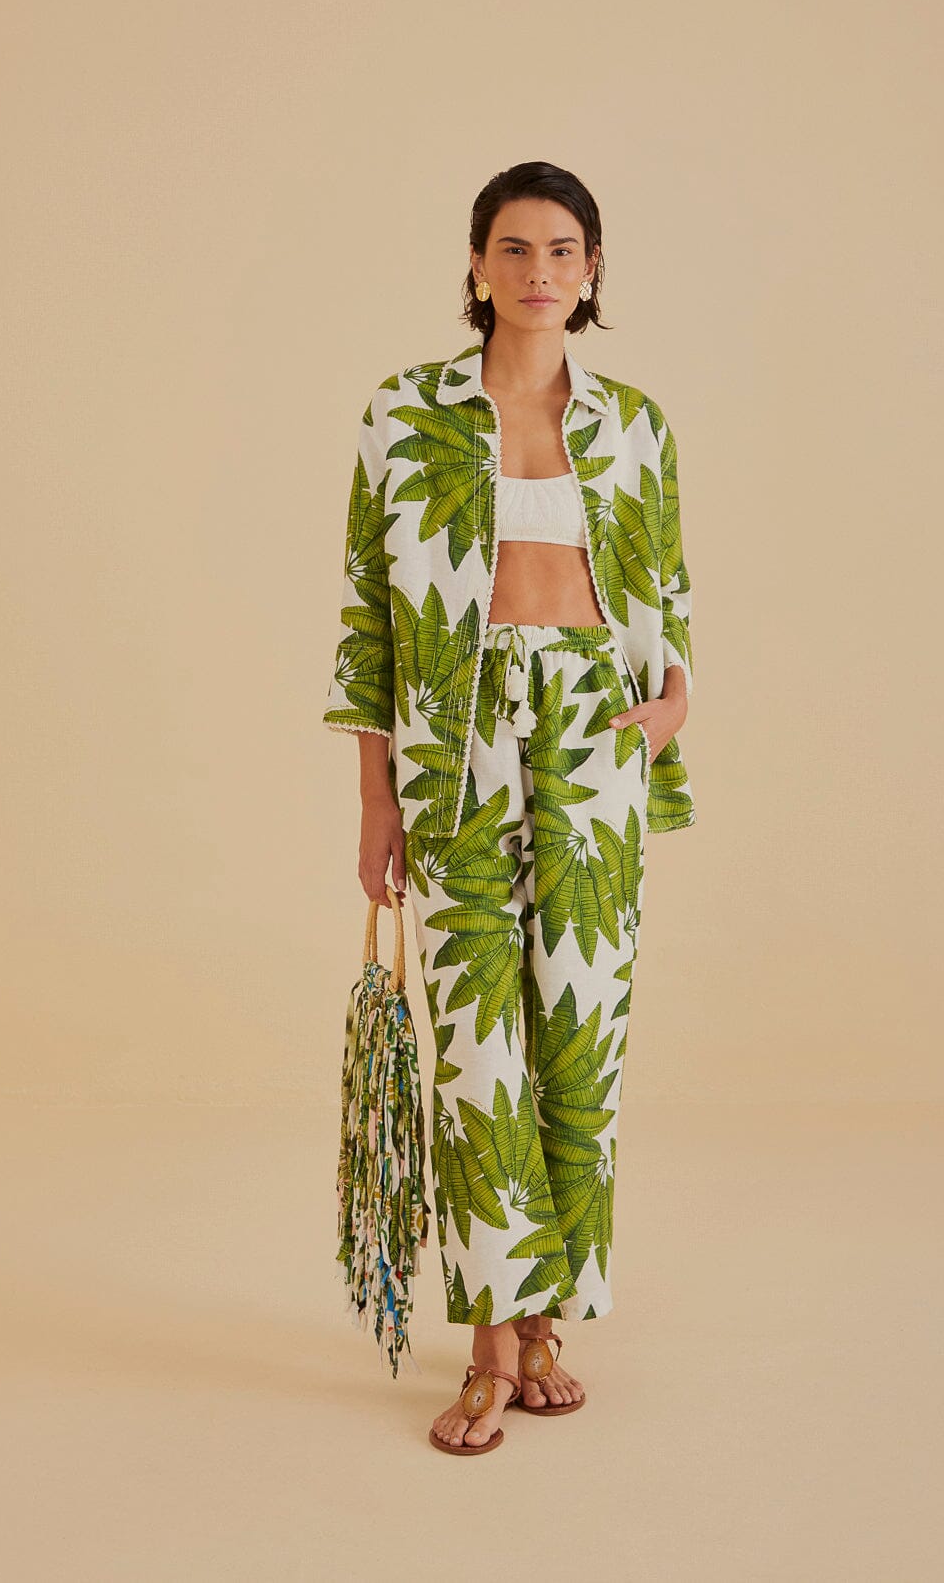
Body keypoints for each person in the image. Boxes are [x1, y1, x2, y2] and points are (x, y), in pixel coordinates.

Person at [322, 160, 696, 1454]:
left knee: (580, 1035)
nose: (541, 271)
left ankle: (548, 1324)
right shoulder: (404, 413)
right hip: (455, 737)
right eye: (516, 248)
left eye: (564, 250)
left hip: (594, 730)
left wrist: (672, 706)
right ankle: (489, 1346)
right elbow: (369, 611)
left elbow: (668, 587)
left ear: (592, 272)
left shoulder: (635, 423)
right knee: (477, 1047)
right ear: (478, 266)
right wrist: (375, 795)